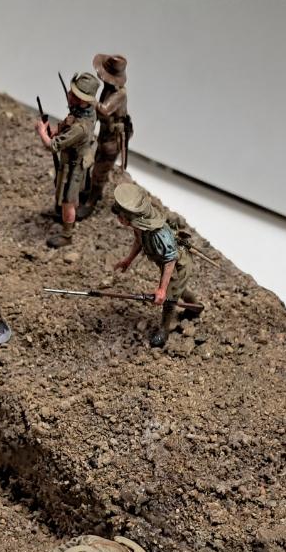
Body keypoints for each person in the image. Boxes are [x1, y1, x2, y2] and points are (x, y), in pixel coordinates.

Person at [112, 182, 202, 347]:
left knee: (169, 298)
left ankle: (164, 331)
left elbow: (170, 260)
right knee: (179, 289)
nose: (119, 219)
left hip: (178, 265)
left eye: (121, 216)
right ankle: (194, 307)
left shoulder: (158, 235)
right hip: (168, 262)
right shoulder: (139, 227)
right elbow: (139, 242)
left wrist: (162, 290)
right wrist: (128, 260)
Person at [36, 71, 101, 249]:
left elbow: (52, 145)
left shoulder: (80, 128)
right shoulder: (86, 111)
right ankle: (64, 216)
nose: (69, 95)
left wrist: (42, 132)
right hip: (73, 163)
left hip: (73, 168)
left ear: (83, 100)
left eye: (74, 94)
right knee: (67, 197)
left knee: (68, 201)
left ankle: (67, 235)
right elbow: (69, 121)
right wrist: (56, 130)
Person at [83, 54, 131, 217]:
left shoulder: (119, 94)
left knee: (100, 170)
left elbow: (104, 109)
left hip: (112, 139)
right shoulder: (108, 89)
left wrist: (89, 99)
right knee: (96, 163)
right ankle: (92, 191)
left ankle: (92, 200)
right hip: (104, 135)